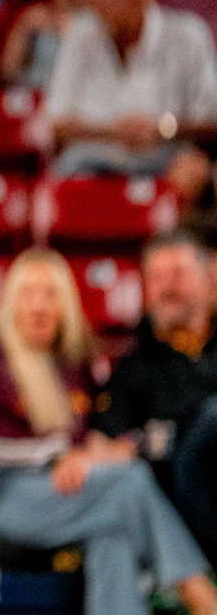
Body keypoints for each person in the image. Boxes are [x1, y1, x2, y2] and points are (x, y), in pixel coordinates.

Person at [0, 249, 217, 615]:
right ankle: (203, 601)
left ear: (66, 307)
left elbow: (98, 437)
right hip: (9, 494)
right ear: (10, 303)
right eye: (28, 294)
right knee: (128, 485)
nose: (38, 306)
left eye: (50, 295)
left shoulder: (75, 364)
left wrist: (100, 454)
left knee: (112, 528)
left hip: (71, 494)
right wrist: (56, 455)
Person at [45, 0, 217, 199]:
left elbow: (211, 121)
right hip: (94, 157)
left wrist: (162, 128)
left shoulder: (188, 36)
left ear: (139, 0)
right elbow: (56, 123)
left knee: (194, 173)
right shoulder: (81, 33)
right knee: (64, 177)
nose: (94, 5)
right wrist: (116, 132)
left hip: (169, 154)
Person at [99, 233, 217, 554]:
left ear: (210, 281)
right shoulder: (132, 366)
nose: (166, 288)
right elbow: (108, 442)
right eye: (156, 278)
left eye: (177, 276)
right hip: (176, 511)